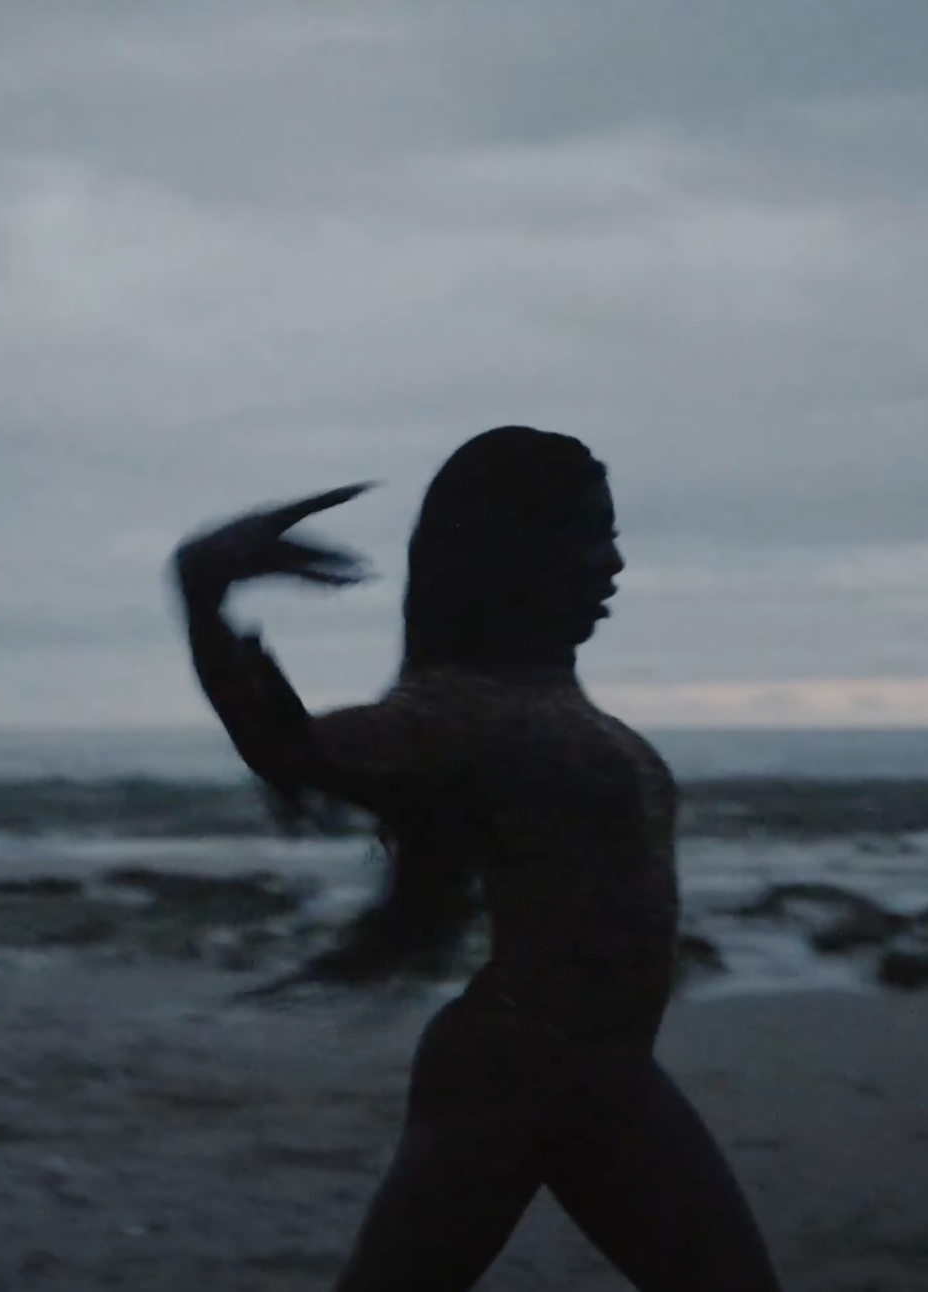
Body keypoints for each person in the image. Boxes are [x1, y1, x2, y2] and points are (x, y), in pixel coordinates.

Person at [171, 426, 784, 1291]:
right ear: (515, 553)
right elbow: (290, 750)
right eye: (589, 535)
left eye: (613, 537)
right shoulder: (453, 709)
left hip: (613, 1076)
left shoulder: (547, 697)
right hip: (514, 1076)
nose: (611, 563)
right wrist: (203, 588)